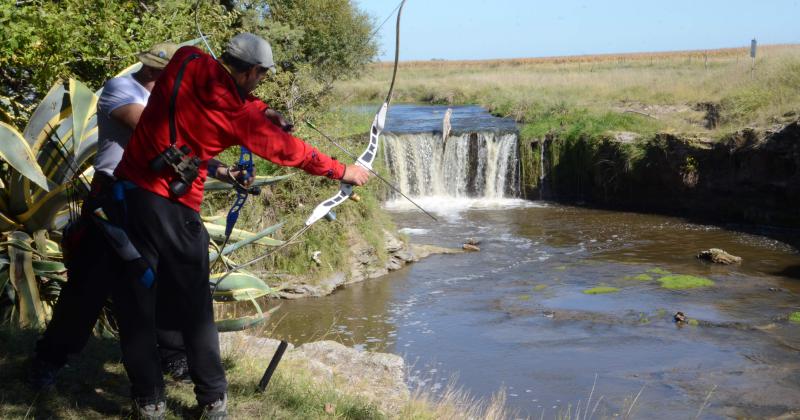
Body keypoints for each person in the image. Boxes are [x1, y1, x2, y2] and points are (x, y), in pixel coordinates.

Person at [110, 33, 370, 419]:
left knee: (135, 305)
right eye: (261, 75)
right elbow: (290, 152)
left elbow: (222, 87)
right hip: (176, 210)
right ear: (251, 71)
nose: (261, 80)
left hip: (130, 198)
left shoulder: (186, 59)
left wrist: (264, 110)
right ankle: (213, 400)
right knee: (196, 311)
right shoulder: (239, 117)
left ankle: (149, 402)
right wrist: (342, 170)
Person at [29, 42, 256, 392]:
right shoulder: (120, 89)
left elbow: (184, 145)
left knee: (166, 282)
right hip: (112, 196)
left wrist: (226, 172)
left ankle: (173, 355)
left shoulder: (168, 101)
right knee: (91, 282)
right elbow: (159, 137)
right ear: (153, 72)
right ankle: (49, 360)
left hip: (155, 200)